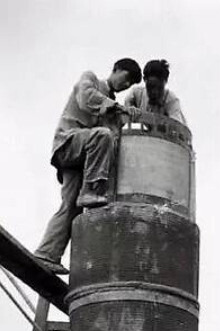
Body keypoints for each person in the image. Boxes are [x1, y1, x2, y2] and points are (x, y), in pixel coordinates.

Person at [34, 59, 142, 275]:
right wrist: (115, 107)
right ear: (116, 70)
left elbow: (113, 140)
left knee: (71, 207)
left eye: (130, 84)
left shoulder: (111, 105)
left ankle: (47, 253)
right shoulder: (91, 79)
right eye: (126, 78)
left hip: (82, 160)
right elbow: (86, 99)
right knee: (103, 135)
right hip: (68, 143)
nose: (126, 84)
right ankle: (91, 189)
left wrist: (126, 119)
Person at [125, 59, 186, 125]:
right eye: (151, 87)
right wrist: (130, 109)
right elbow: (126, 108)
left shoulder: (171, 100)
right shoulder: (135, 94)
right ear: (145, 80)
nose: (155, 92)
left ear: (165, 81)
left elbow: (176, 124)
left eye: (159, 88)